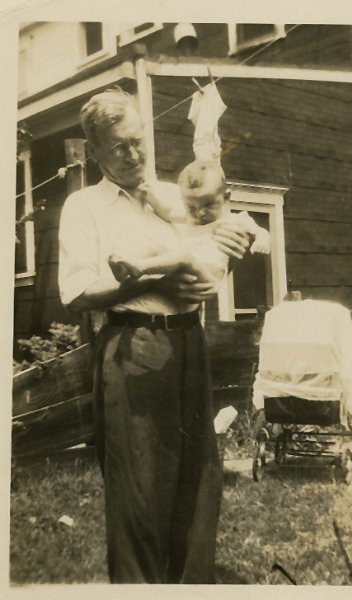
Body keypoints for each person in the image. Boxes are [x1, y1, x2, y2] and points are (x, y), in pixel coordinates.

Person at [58, 87, 249, 584]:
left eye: (139, 140)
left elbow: (209, 250)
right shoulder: (84, 207)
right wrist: (154, 278)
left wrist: (228, 245)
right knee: (138, 491)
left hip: (189, 345)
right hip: (133, 348)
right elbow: (76, 291)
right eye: (120, 146)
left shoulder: (173, 195)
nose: (135, 154)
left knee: (196, 480)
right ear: (95, 151)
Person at [109, 160, 270, 292]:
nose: (200, 213)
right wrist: (152, 199)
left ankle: (140, 268)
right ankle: (126, 268)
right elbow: (168, 212)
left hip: (208, 276)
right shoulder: (190, 218)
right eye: (191, 207)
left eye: (208, 205)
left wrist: (262, 240)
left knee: (183, 256)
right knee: (159, 247)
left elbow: (260, 231)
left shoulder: (234, 219)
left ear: (226, 197)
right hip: (185, 271)